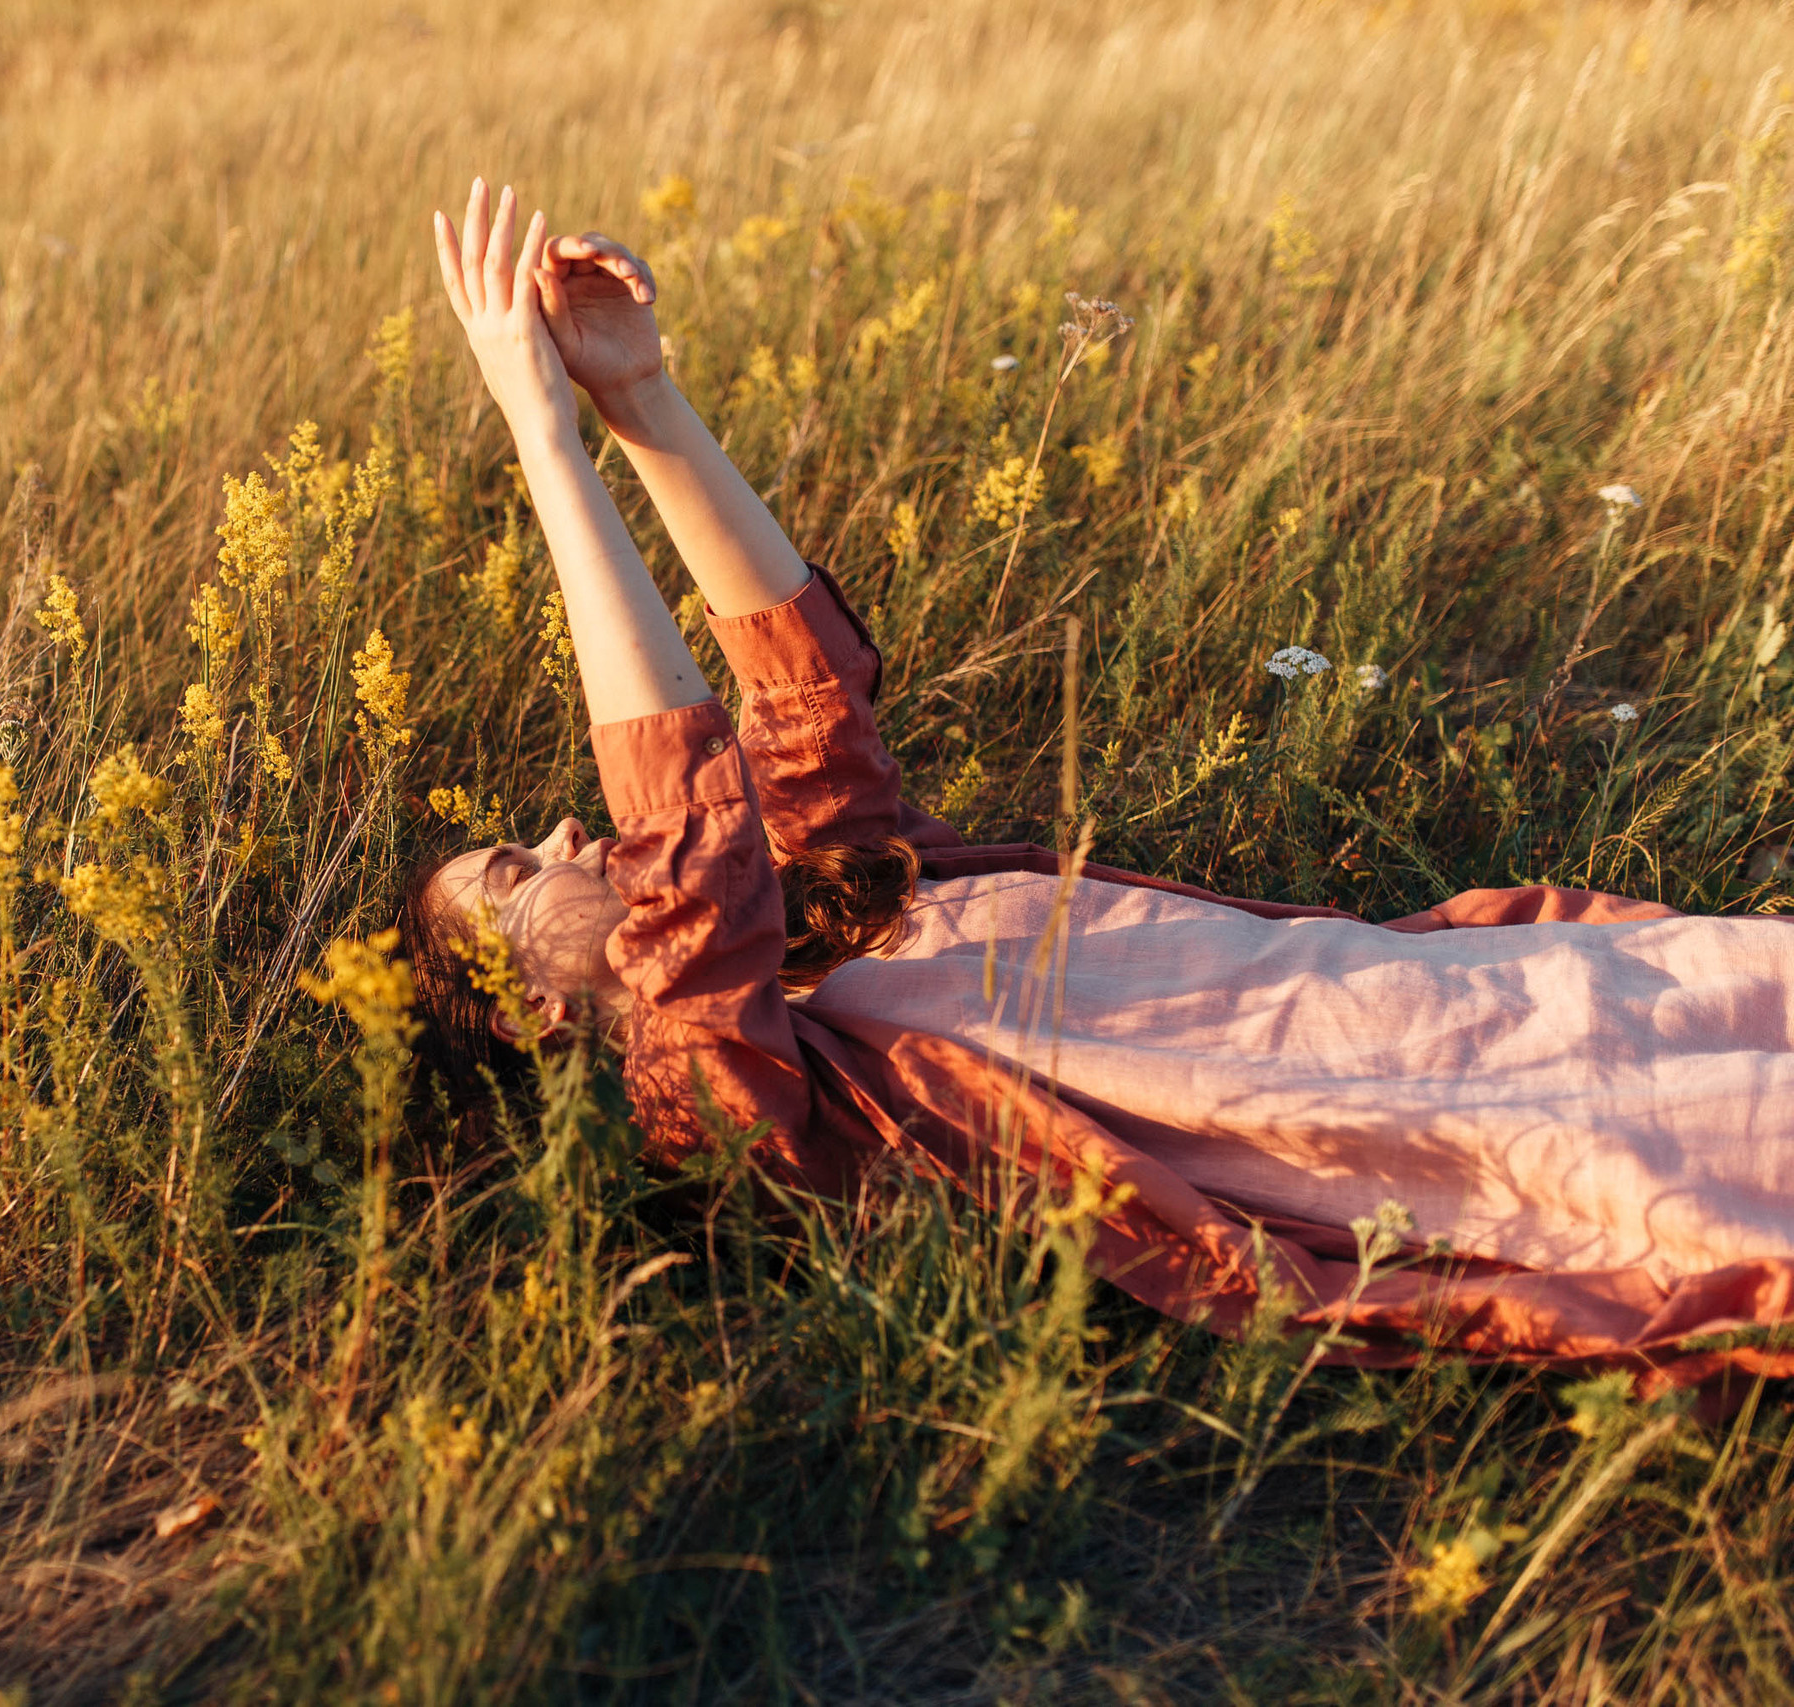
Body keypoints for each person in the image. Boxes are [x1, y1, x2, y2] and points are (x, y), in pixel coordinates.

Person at [404, 178, 1794, 1388]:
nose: (567, 829)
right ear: (529, 1014)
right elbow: (682, 825)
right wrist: (539, 434)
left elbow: (797, 695)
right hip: (1389, 1128)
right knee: (1694, 1179)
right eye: (515, 871)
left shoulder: (844, 899)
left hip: (1442, 999)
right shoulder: (721, 1091)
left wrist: (636, 397)